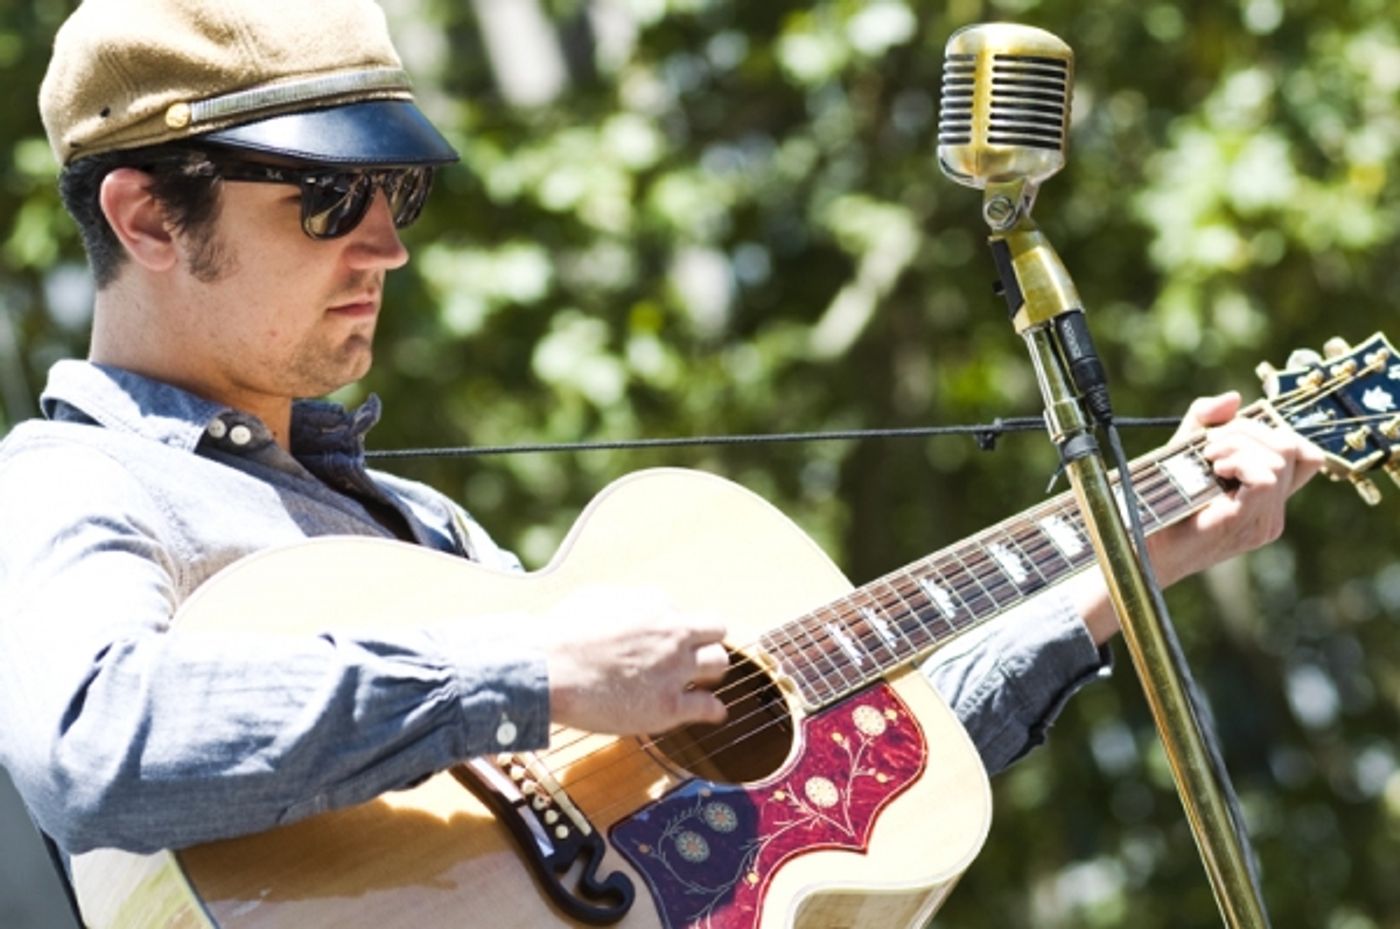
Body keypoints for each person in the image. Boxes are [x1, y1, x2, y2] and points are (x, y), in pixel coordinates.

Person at [0, 0, 1321, 890]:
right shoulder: (74, 481)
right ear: (148, 217)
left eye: (395, 192)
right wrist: (535, 666)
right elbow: (87, 740)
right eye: (330, 195)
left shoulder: (427, 540)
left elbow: (783, 822)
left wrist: (1115, 575)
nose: (389, 244)